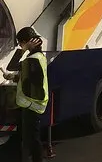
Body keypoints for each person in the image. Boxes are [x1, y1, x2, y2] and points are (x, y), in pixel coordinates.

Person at [2, 27, 48, 162]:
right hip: (33, 104)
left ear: (25, 42)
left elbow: (12, 65)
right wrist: (11, 77)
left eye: (20, 43)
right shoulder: (39, 57)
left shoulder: (31, 59)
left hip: (31, 105)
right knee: (29, 138)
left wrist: (23, 49)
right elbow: (29, 78)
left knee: (32, 140)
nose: (20, 46)